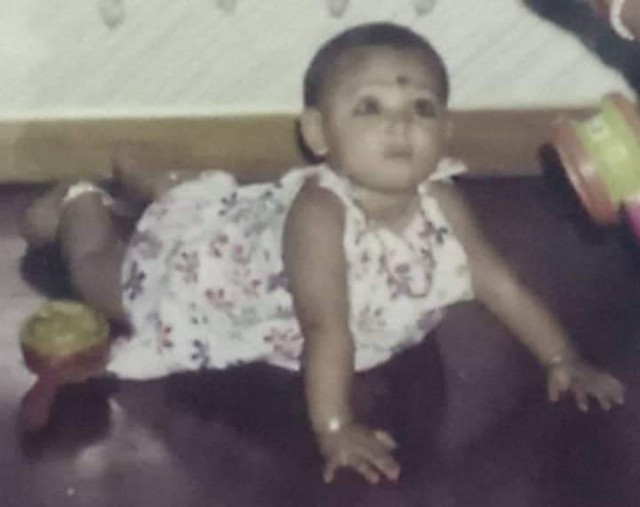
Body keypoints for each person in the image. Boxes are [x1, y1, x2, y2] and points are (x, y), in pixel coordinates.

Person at [21, 22, 625, 486]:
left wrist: (562, 358)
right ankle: (80, 206)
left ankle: (163, 187)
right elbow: (325, 326)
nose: (400, 125)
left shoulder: (443, 198)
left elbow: (500, 283)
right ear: (318, 134)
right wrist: (334, 427)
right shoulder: (321, 215)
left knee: (200, 207)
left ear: (446, 132)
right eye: (370, 108)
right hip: (214, 276)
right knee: (109, 285)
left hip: (261, 238)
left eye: (421, 108)